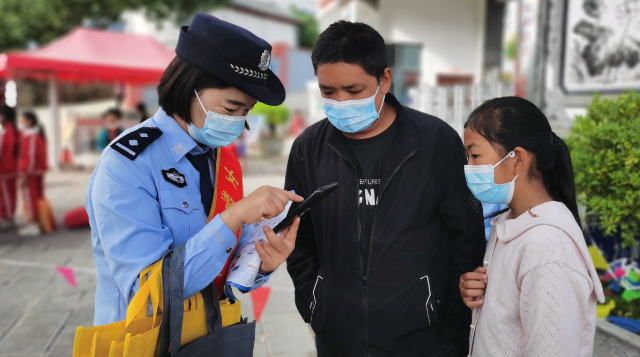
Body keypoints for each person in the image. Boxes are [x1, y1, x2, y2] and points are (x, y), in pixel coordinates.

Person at [86, 13, 303, 325]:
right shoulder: (127, 163)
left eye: (246, 112)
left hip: (211, 338)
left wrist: (259, 260)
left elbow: (219, 268)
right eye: (230, 109)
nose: (238, 124)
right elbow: (146, 294)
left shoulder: (221, 160)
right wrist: (233, 217)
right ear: (190, 89)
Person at [284, 21, 485, 356]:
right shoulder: (308, 148)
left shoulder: (435, 142)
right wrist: (315, 304)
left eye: (354, 90)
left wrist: (452, 337)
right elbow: (298, 237)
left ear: (385, 80)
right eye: (328, 92)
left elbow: (465, 240)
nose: (341, 102)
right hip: (336, 339)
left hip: (421, 339)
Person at [458, 97, 604, 356]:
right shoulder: (510, 221)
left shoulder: (548, 246)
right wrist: (482, 296)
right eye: (467, 156)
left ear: (518, 159)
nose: (468, 167)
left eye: (475, 155)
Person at [17, 111, 48, 236]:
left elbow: (31, 158)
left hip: (31, 173)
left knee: (31, 198)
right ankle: (39, 222)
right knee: (36, 197)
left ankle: (34, 224)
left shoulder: (32, 137)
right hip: (34, 172)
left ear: (30, 121)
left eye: (22, 121)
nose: (20, 123)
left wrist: (25, 175)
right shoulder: (32, 135)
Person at [0, 105, 19, 230]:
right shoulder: (13, 130)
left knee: (6, 194)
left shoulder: (7, 131)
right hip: (11, 168)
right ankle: (7, 217)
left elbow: (2, 150)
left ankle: (7, 218)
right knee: (9, 193)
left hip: (6, 168)